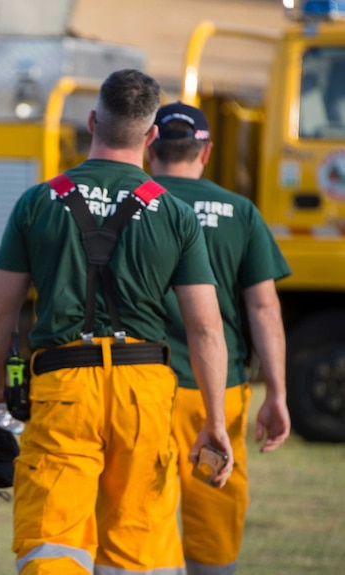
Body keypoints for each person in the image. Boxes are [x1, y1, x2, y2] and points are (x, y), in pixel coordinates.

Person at [0, 69, 234, 575]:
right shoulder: (175, 213)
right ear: (152, 135)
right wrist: (215, 420)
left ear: (93, 121)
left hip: (61, 385)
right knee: (137, 550)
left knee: (54, 545)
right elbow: (206, 328)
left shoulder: (38, 201)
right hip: (143, 391)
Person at [149, 101, 292, 575]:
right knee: (214, 518)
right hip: (216, 395)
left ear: (150, 143)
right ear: (205, 151)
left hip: (139, 389)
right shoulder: (239, 212)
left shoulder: (135, 201)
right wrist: (278, 391)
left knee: (141, 518)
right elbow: (263, 307)